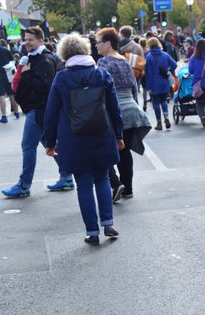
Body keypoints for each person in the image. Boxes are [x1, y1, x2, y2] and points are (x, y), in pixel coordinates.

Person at [44, 33, 124, 245]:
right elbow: (114, 108)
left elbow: (51, 113)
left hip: (74, 139)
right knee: (103, 178)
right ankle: (108, 223)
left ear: (64, 54)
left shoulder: (62, 78)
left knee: (84, 184)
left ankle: (92, 232)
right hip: (102, 134)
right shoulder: (101, 74)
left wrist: (50, 142)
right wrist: (119, 135)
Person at [2, 27, 74, 198]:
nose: (27, 42)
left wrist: (27, 74)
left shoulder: (44, 60)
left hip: (38, 109)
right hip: (38, 109)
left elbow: (45, 87)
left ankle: (24, 185)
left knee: (28, 146)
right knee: (50, 144)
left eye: (31, 39)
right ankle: (66, 177)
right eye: (26, 39)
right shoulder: (37, 58)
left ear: (40, 41)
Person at [96, 28, 151, 200]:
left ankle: (116, 183)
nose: (96, 46)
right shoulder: (125, 61)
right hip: (131, 109)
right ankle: (128, 189)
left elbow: (102, 91)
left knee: (105, 150)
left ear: (107, 43)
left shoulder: (103, 63)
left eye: (98, 42)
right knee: (124, 151)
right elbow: (134, 87)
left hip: (114, 110)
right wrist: (135, 105)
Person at [144, 37, 177, 131]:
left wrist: (148, 87)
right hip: (164, 81)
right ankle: (166, 116)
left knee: (156, 103)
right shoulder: (165, 54)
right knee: (163, 100)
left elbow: (149, 73)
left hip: (154, 83)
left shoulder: (149, 57)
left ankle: (159, 123)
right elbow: (174, 64)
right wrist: (168, 71)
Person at [0, 35, 20, 123]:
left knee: (1, 96)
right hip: (7, 74)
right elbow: (12, 61)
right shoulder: (5, 50)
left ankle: (4, 116)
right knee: (11, 94)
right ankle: (16, 112)